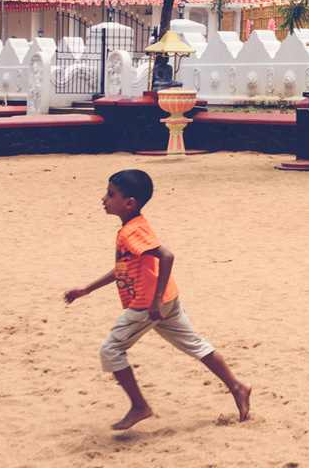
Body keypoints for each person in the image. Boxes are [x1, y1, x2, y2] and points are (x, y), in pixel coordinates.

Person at [63, 169, 251, 431]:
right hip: (167, 300)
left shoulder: (131, 232)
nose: (103, 198)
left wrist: (155, 301)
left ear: (129, 203)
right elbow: (124, 267)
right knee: (194, 343)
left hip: (148, 304)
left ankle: (140, 406)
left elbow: (167, 256)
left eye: (110, 194)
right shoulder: (135, 226)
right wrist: (87, 289)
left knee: (111, 349)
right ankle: (238, 387)